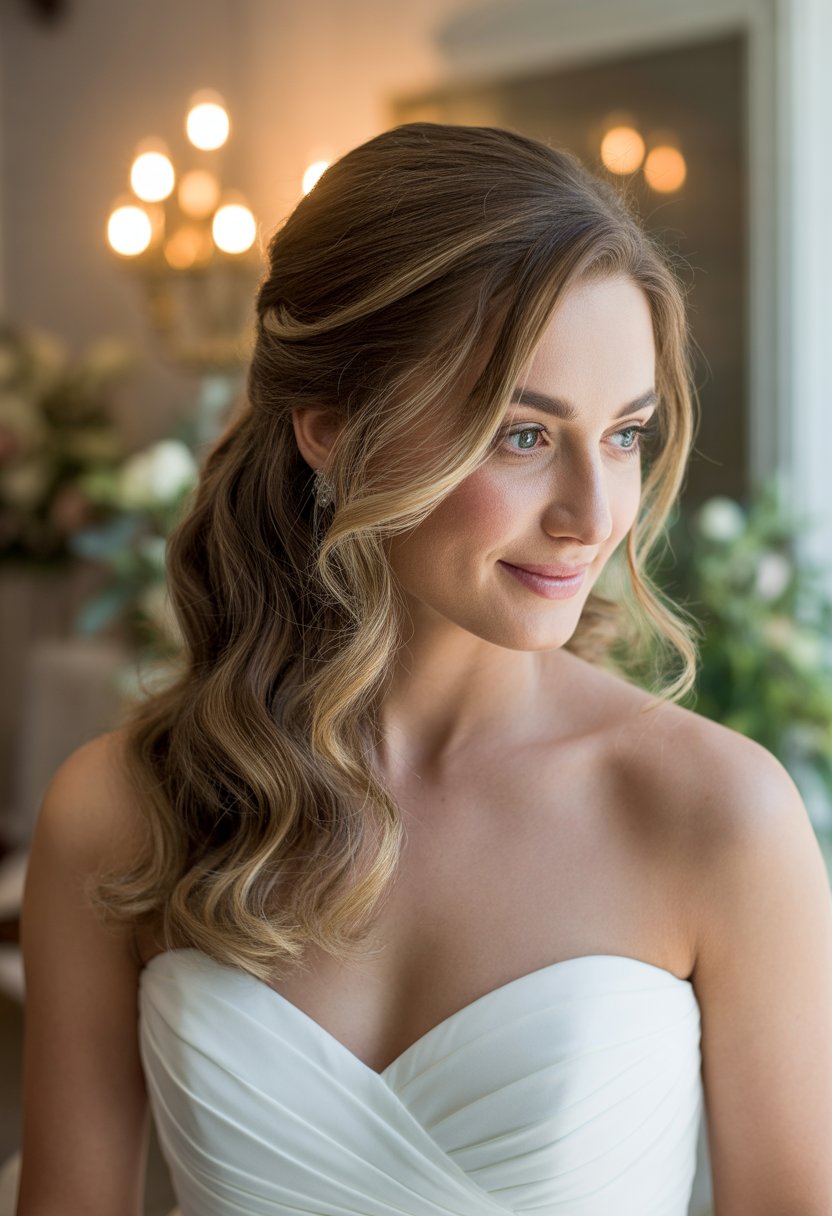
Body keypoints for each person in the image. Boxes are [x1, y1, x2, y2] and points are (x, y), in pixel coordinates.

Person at [16, 122, 832, 1216]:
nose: (596, 515)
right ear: (329, 429)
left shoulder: (716, 813)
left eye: (625, 435)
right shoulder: (121, 810)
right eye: (523, 435)